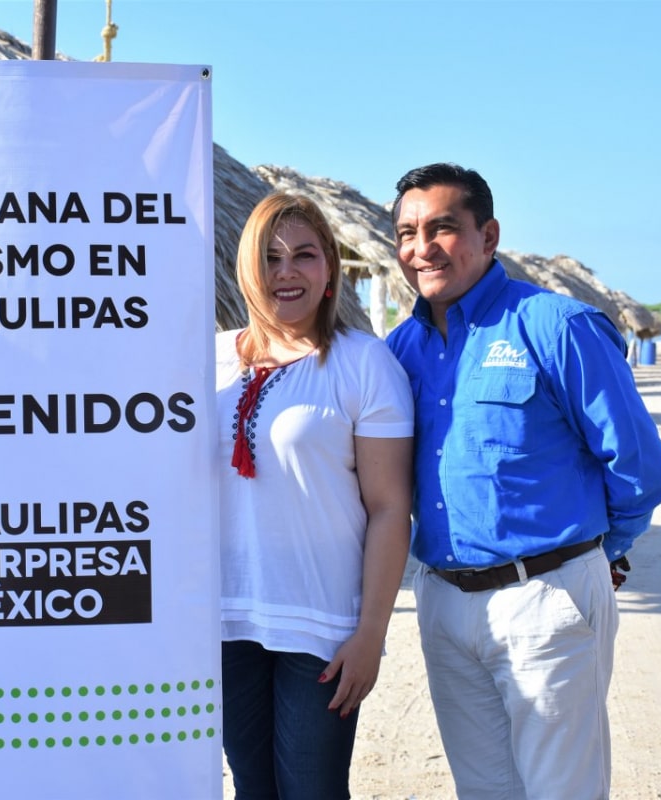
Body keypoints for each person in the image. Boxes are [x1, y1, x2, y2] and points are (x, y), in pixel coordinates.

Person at [386, 163, 661, 799]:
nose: (422, 247)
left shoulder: (557, 327)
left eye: (442, 227)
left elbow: (642, 470)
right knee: (483, 791)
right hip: (442, 603)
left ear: (488, 235)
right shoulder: (398, 351)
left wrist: (596, 554)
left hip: (546, 597)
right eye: (407, 233)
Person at [217, 192, 414, 799]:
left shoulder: (364, 362)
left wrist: (370, 634)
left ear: (329, 266)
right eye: (270, 257)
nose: (286, 271)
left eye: (304, 254)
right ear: (246, 269)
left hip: (322, 625)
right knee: (251, 788)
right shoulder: (208, 361)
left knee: (313, 789)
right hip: (224, 619)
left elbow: (389, 509)